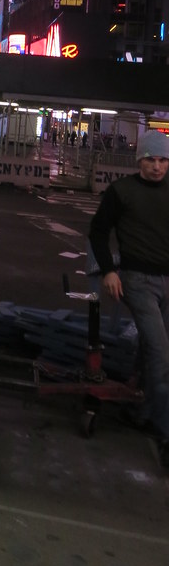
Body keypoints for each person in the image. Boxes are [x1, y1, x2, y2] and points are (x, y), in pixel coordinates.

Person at [89, 129, 169, 469]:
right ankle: (166, 434)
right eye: (150, 160)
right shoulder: (122, 192)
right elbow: (98, 231)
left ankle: (145, 411)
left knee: (153, 349)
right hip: (138, 281)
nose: (157, 166)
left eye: (163, 160)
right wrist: (109, 271)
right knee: (161, 353)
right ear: (139, 161)